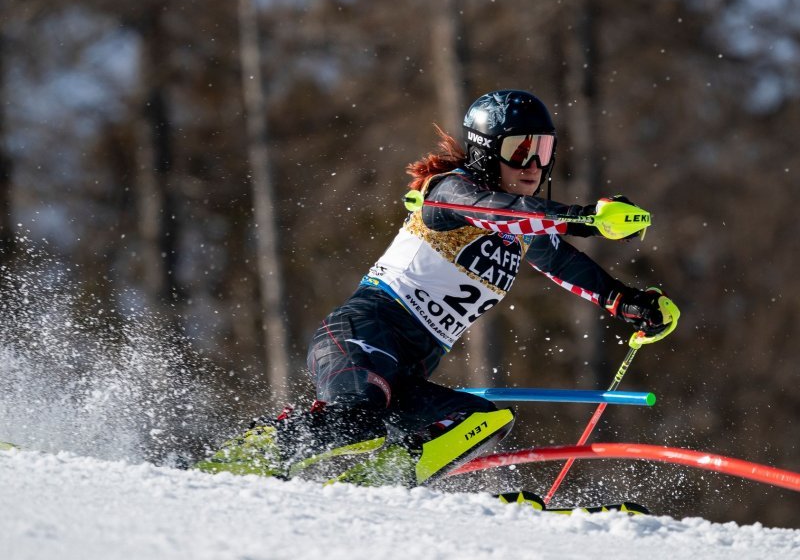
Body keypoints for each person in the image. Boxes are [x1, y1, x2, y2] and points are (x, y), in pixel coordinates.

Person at [194, 89, 679, 486]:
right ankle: (247, 458)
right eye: (519, 151)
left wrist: (627, 301)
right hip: (364, 334)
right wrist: (586, 217)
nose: (533, 164)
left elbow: (563, 261)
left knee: (481, 421)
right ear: (487, 152)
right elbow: (502, 212)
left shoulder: (520, 231)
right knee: (360, 416)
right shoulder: (450, 191)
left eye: (543, 150)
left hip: (409, 371)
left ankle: (374, 488)